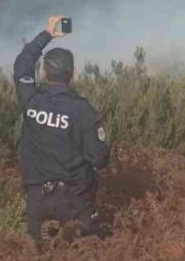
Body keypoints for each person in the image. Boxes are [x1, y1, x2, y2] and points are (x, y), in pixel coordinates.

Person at [13, 15, 111, 247]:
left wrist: (46, 35)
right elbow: (100, 159)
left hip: (38, 198)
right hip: (75, 200)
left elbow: (22, 64)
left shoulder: (31, 99)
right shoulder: (83, 111)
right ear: (73, 73)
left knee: (41, 259)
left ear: (44, 73)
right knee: (85, 258)